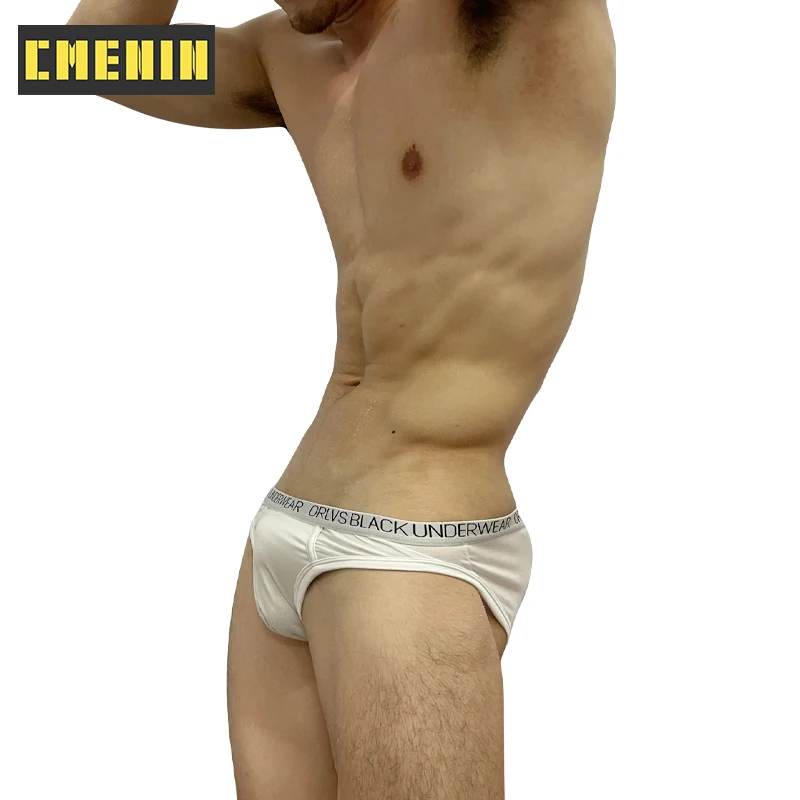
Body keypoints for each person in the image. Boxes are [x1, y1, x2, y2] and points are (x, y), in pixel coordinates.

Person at [67, 0, 615, 797]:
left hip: (414, 556)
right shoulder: (287, 57)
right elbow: (77, 60)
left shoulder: (504, 26)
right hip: (283, 534)